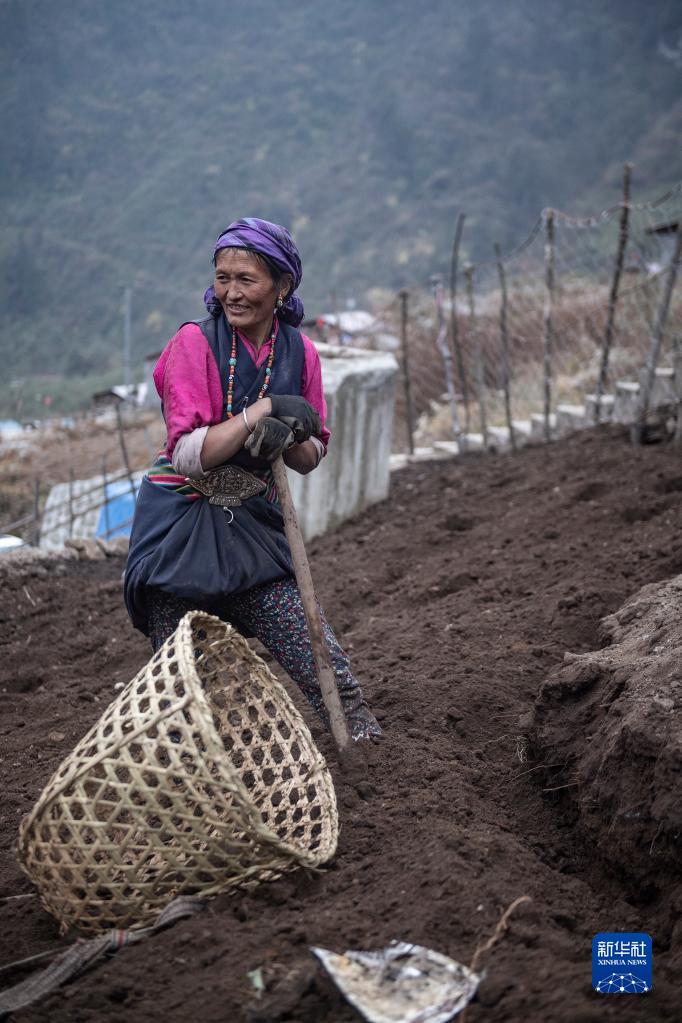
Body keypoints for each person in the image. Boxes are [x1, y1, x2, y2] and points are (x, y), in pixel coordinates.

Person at [124, 218, 381, 742]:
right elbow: (191, 454)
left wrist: (290, 436)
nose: (232, 293)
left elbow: (312, 456)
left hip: (254, 525)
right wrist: (260, 412)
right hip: (183, 526)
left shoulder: (300, 353)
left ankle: (367, 752)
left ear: (282, 286)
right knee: (181, 684)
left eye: (247, 280)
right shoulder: (194, 343)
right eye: (223, 278)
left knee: (318, 655)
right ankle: (188, 777)